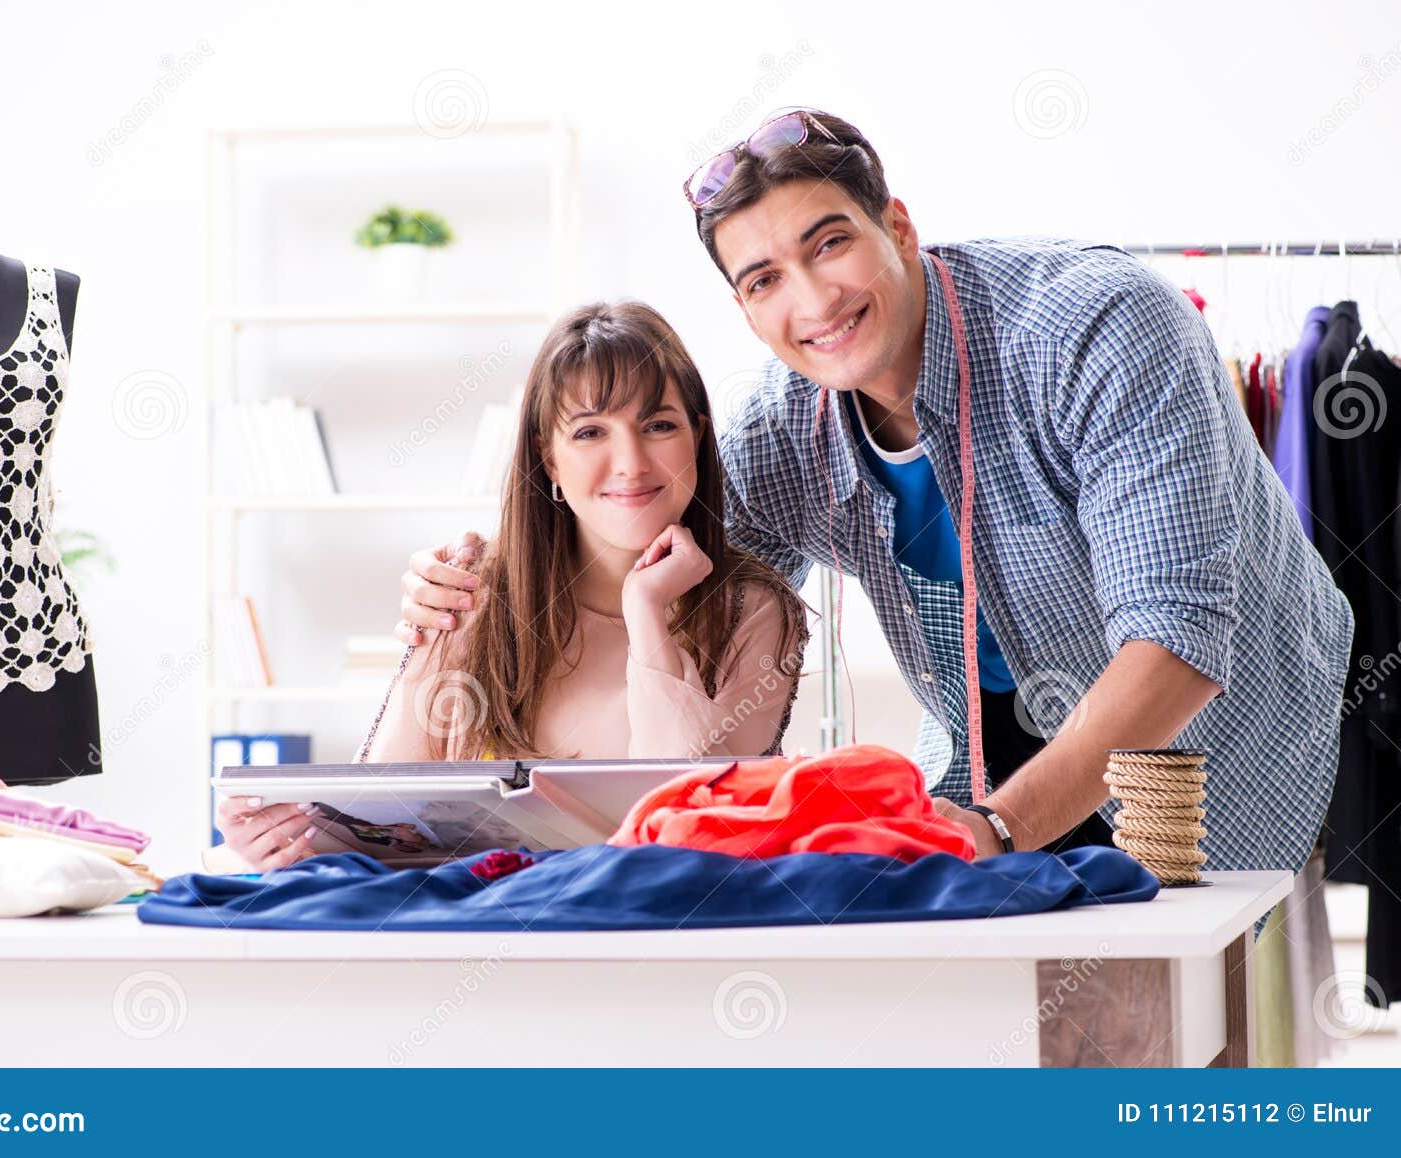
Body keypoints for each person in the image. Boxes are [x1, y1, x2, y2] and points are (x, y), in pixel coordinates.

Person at [398, 109, 1353, 873]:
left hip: (1203, 748)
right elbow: (640, 547)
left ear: (897, 224)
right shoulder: (782, 433)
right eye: (766, 277)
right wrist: (470, 581)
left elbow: (1177, 643)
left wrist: (1001, 830)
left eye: (830, 245)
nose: (813, 303)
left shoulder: (1097, 331)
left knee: (1177, 1043)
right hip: (987, 759)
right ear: (744, 306)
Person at [218, 300, 808, 872]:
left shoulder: (754, 613)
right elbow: (385, 810)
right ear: (546, 459)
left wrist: (646, 609)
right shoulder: (470, 591)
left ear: (698, 439)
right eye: (589, 433)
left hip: (654, 937)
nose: (630, 462)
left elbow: (684, 830)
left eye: (657, 425)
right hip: (478, 934)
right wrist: (289, 840)